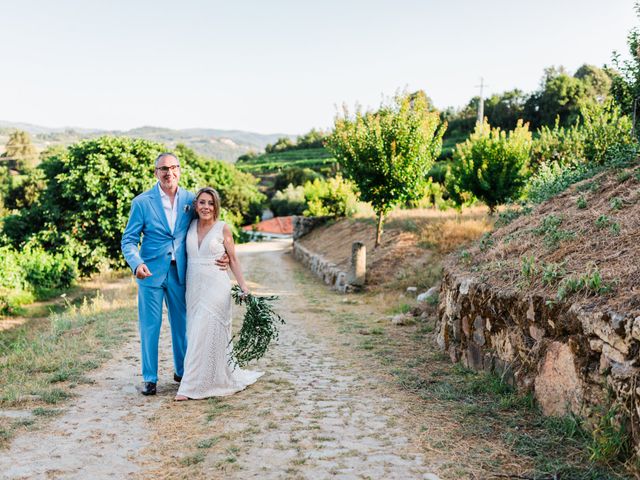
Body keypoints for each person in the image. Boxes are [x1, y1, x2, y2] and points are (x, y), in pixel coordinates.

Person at [121, 153, 227, 396]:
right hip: (149, 273)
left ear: (179, 169)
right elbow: (128, 240)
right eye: (163, 169)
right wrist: (136, 263)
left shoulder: (192, 199)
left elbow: (209, 225)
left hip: (181, 272)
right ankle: (150, 378)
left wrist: (224, 253)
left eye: (173, 168)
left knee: (181, 325)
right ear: (156, 172)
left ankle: (182, 372)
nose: (169, 173)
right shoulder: (142, 202)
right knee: (150, 326)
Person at [175, 187, 263, 400]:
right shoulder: (189, 226)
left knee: (204, 331)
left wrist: (244, 287)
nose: (206, 207)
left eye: (210, 203)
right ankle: (212, 377)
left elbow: (233, 259)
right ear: (196, 205)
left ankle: (188, 388)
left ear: (216, 206)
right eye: (202, 202)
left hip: (216, 287)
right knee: (195, 332)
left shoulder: (223, 228)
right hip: (193, 288)